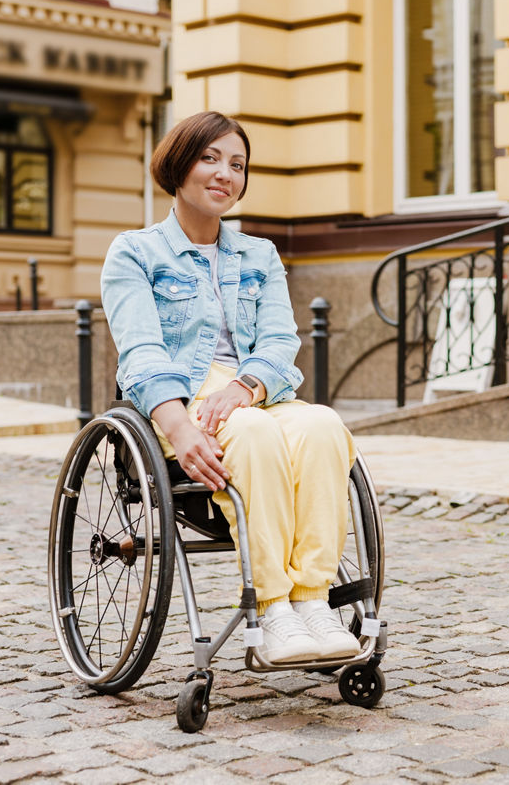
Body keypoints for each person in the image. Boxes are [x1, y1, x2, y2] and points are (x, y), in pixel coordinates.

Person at [101, 110, 360, 664]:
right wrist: (177, 426)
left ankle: (312, 600)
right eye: (210, 158)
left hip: (255, 392)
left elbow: (278, 341)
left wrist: (244, 387)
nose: (225, 174)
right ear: (178, 166)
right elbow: (142, 351)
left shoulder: (259, 255)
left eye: (237, 164)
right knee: (250, 432)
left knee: (322, 424)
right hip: (178, 399)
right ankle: (273, 609)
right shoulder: (136, 253)